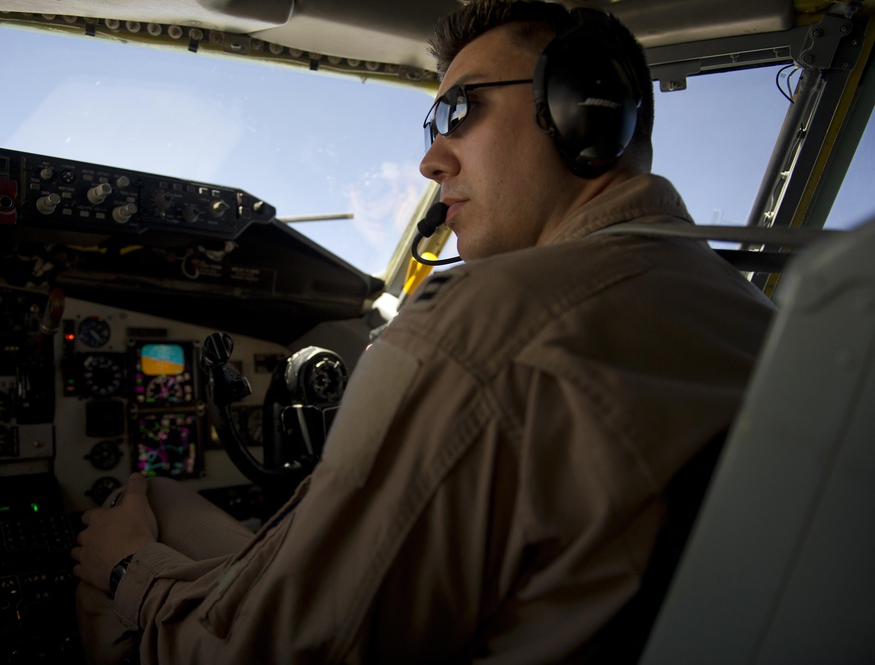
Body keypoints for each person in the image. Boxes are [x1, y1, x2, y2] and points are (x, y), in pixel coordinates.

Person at [71, 1, 776, 662]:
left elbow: (272, 652)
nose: (430, 160)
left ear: (582, 109)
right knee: (158, 497)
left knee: (121, 529)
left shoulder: (480, 326)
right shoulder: (754, 319)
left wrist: (132, 571)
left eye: (459, 110)